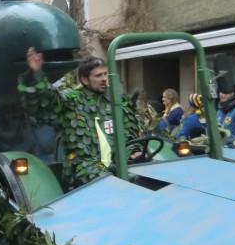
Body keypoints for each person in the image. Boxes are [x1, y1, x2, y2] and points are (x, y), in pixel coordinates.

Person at [19, 48, 143, 189]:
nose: (104, 79)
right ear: (84, 79)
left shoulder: (116, 102)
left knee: (145, 177)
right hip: (84, 168)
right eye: (98, 75)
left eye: (105, 74)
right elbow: (49, 100)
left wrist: (134, 152)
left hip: (120, 164)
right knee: (108, 183)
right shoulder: (71, 101)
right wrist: (36, 74)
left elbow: (129, 138)